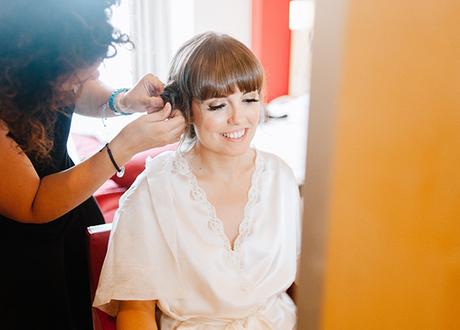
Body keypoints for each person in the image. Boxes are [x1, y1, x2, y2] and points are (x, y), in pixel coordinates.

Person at [94, 32, 301, 329]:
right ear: (186, 109)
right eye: (218, 106)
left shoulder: (280, 177)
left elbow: (301, 276)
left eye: (249, 99)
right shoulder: (154, 190)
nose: (238, 118)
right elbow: (136, 312)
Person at [0, 1, 185, 329]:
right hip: (19, 250)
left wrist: (122, 100)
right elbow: (32, 205)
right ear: (35, 67)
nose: (88, 78)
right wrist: (124, 146)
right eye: (74, 75)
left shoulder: (52, 70)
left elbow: (80, 87)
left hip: (72, 213)